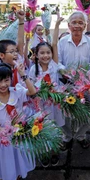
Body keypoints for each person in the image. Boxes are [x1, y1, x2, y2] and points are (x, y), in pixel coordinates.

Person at [58, 11, 90, 149]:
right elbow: (57, 61)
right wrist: (64, 71)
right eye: (74, 22)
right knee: (65, 114)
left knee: (86, 114)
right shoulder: (62, 42)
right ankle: (67, 136)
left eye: (80, 22)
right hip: (66, 84)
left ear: (85, 25)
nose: (77, 25)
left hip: (85, 85)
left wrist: (86, 77)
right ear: (69, 25)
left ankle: (81, 135)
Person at [28, 17, 65, 166]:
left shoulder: (54, 65)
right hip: (41, 106)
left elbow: (54, 43)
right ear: (36, 55)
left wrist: (56, 25)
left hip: (55, 104)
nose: (46, 56)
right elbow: (31, 88)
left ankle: (55, 151)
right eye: (42, 53)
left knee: (55, 128)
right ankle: (43, 152)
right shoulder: (33, 69)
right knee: (42, 129)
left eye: (48, 53)